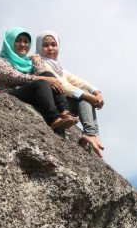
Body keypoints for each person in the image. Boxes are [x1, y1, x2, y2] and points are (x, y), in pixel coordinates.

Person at [0, 26, 77, 131]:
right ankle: (54, 119)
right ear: (9, 42)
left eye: (26, 42)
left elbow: (43, 73)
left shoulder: (29, 63)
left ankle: (64, 112)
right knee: (42, 82)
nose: (23, 44)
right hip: (9, 95)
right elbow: (13, 77)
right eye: (18, 41)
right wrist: (41, 79)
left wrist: (36, 61)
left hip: (29, 96)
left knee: (48, 75)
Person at [35, 30, 105, 158]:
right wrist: (89, 96)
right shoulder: (39, 62)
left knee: (86, 100)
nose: (50, 48)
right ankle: (91, 133)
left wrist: (95, 91)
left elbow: (78, 81)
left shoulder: (58, 67)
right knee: (85, 99)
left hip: (61, 104)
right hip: (52, 105)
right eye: (45, 45)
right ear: (39, 47)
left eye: (53, 44)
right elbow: (64, 86)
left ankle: (92, 134)